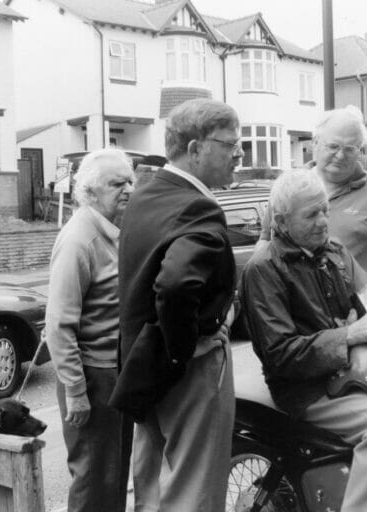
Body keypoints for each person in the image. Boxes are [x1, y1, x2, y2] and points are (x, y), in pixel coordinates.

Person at [241, 170, 367, 512]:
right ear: (280, 221)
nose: (324, 222)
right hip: (307, 390)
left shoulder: (333, 252)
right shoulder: (263, 269)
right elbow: (280, 355)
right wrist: (348, 335)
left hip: (348, 376)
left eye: (325, 210)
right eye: (311, 215)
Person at [110, 98, 241, 511]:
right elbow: (177, 284)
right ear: (197, 148)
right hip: (187, 374)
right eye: (230, 144)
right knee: (193, 493)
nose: (239, 154)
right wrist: (189, 347)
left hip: (142, 367)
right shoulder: (198, 208)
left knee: (151, 489)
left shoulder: (145, 195)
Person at [45, 148, 135, 512]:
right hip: (92, 380)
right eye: (117, 184)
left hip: (115, 374)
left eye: (130, 180)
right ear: (91, 192)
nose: (128, 189)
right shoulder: (80, 239)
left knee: (112, 475)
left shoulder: (114, 230)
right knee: (93, 480)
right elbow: (59, 326)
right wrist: (76, 391)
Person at [260, 105, 367, 277]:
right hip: (293, 301)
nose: (340, 155)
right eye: (333, 146)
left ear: (359, 151)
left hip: (355, 301)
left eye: (350, 149)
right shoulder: (287, 190)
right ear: (314, 143)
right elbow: (265, 243)